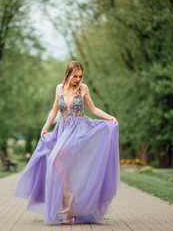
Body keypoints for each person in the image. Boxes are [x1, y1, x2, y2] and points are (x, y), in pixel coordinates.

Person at [15, 61, 120, 224]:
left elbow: (93, 109)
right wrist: (45, 127)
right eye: (75, 76)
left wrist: (110, 117)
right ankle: (70, 210)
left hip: (79, 130)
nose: (78, 79)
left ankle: (69, 199)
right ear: (68, 74)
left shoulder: (83, 88)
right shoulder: (59, 88)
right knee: (62, 165)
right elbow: (54, 110)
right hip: (63, 129)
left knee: (57, 158)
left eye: (80, 76)